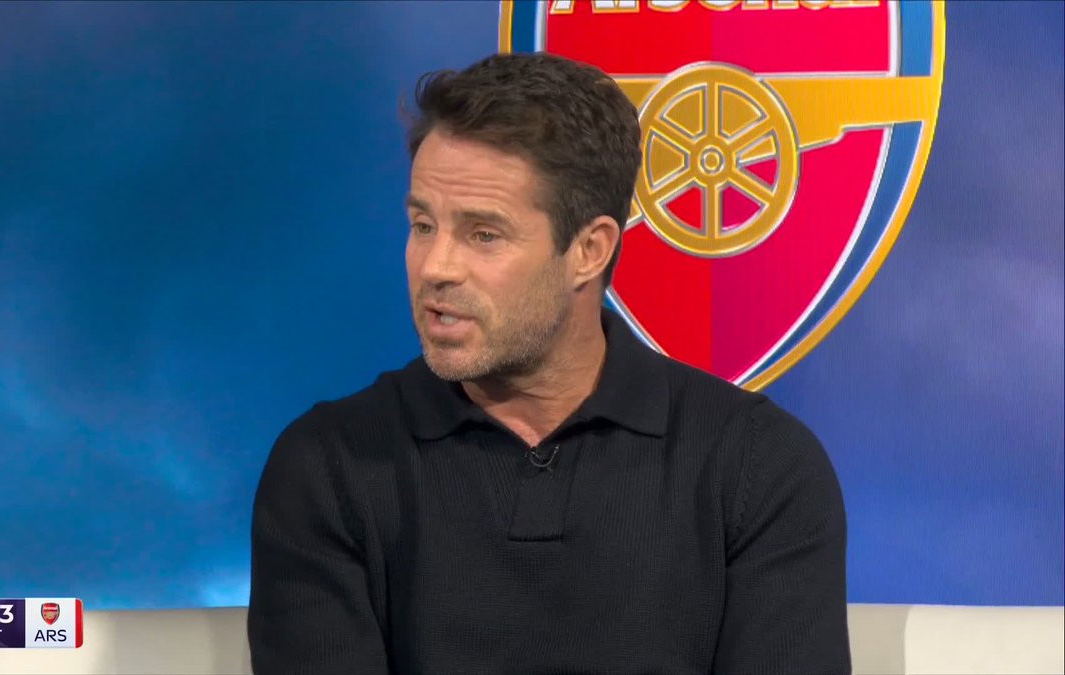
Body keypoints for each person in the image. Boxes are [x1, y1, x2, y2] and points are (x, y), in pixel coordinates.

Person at [248, 52, 849, 674]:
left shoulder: (757, 467)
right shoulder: (329, 466)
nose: (435, 267)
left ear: (589, 250)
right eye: (423, 225)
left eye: (483, 234)